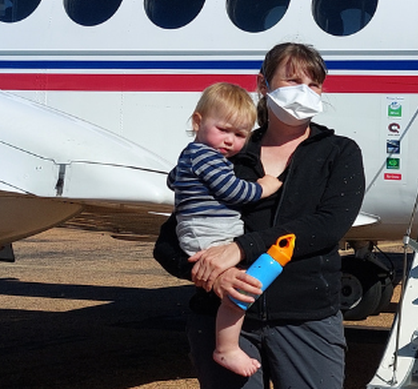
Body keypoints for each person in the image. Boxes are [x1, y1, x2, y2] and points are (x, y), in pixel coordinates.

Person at [155, 42, 365, 389]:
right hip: (222, 318)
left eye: (313, 84)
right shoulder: (227, 152)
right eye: (292, 81)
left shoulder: (338, 153)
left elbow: (328, 226)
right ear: (263, 85)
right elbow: (167, 241)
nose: (304, 92)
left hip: (306, 319)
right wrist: (212, 277)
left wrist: (240, 248)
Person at [170, 82, 283, 377]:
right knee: (240, 290)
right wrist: (262, 187)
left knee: (238, 287)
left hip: (203, 231)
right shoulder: (207, 156)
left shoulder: (191, 155)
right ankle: (226, 348)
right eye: (224, 130)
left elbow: (172, 180)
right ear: (198, 122)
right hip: (208, 234)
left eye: (240, 135)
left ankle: (227, 346)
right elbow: (233, 191)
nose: (230, 141)